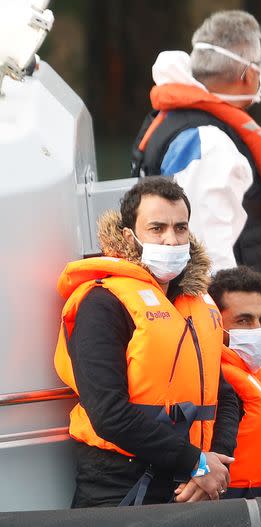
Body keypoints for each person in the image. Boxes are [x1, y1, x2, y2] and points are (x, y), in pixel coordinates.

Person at [54, 178, 239, 507]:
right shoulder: (103, 303)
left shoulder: (195, 302)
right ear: (130, 236)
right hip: (118, 486)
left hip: (188, 484)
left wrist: (215, 463)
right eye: (157, 228)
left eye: (180, 228)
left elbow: (224, 396)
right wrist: (194, 462)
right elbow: (109, 413)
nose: (171, 239)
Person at [131, 10, 261, 294]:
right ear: (249, 74)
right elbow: (206, 246)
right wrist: (230, 320)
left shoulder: (181, 122)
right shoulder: (209, 142)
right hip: (225, 313)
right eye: (260, 65)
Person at [208, 266, 261, 498]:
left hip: (251, 501)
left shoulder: (251, 375)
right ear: (214, 322)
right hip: (219, 503)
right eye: (244, 320)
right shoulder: (207, 379)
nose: (258, 330)